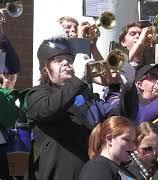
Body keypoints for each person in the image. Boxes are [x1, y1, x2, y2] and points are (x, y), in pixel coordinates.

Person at [26, 36, 120, 180]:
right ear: (45, 69)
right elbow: (50, 110)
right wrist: (78, 81)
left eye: (69, 60)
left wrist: (127, 88)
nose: (66, 63)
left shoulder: (86, 96)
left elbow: (120, 117)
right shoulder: (38, 94)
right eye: (58, 60)